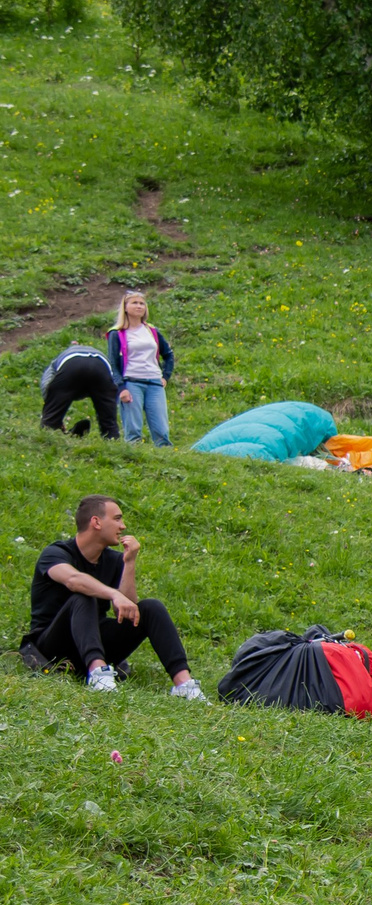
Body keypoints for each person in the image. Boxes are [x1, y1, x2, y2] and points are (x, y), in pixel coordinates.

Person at [20, 495, 206, 698]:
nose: (123, 526)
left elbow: (129, 612)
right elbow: (73, 580)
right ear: (96, 522)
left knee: (151, 608)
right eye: (117, 519)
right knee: (83, 596)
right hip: (52, 646)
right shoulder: (55, 553)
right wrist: (113, 593)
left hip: (92, 641)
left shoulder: (114, 560)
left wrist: (129, 562)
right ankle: (98, 674)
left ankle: (185, 685)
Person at [108, 292, 177, 447]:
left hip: (154, 383)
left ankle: (165, 456)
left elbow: (168, 354)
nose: (139, 306)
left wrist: (165, 376)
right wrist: (121, 388)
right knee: (133, 429)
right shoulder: (117, 333)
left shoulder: (151, 331)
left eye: (142, 303)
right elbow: (113, 363)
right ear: (125, 307)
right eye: (134, 303)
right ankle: (134, 456)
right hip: (132, 382)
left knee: (161, 428)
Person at [38, 342, 119, 439]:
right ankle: (111, 439)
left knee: (50, 422)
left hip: (72, 365)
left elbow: (46, 387)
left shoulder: (54, 364)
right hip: (100, 365)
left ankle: (49, 437)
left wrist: (52, 413)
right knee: (109, 423)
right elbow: (112, 390)